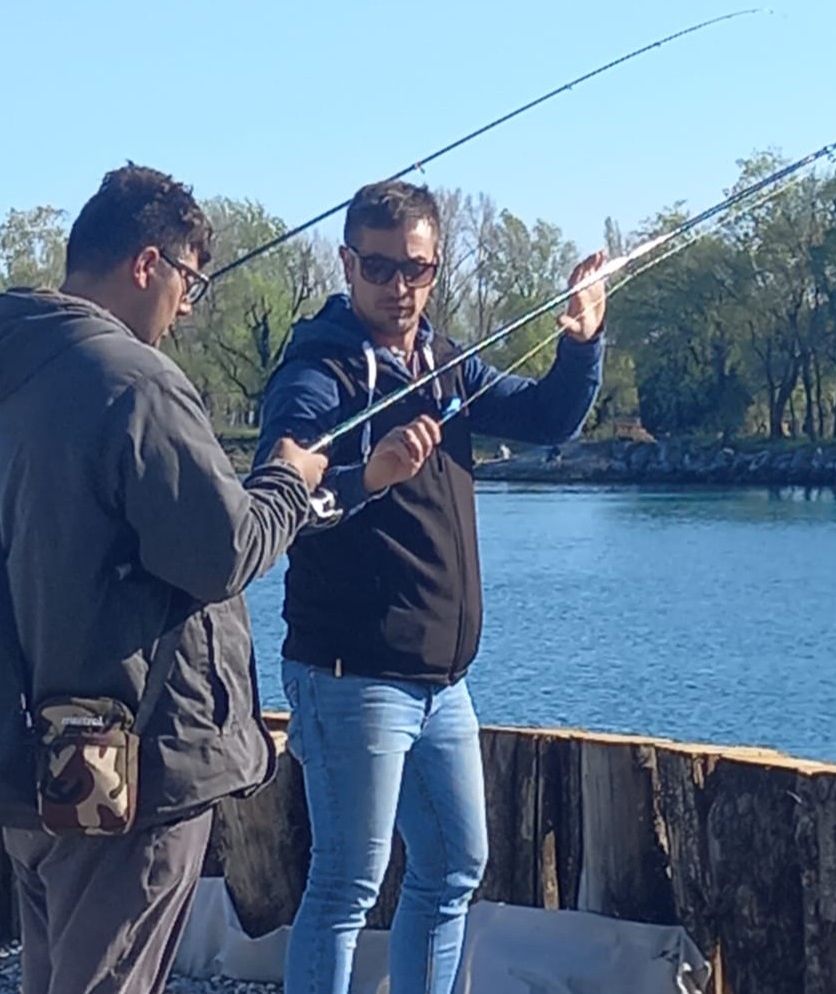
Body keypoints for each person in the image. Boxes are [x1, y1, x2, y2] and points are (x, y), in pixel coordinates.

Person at [0, 163, 328, 994]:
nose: (190, 305)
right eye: (190, 280)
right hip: (127, 767)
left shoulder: (2, 374)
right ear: (147, 264)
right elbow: (222, 552)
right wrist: (290, 480)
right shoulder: (135, 381)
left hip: (23, 750)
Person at [254, 180, 607, 994]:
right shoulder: (319, 373)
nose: (398, 286)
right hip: (350, 676)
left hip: (442, 683)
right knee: (345, 886)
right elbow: (279, 497)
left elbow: (551, 417)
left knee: (452, 868)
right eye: (378, 267)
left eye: (416, 269)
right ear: (347, 263)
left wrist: (582, 342)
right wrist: (366, 474)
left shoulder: (448, 365)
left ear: (435, 269)